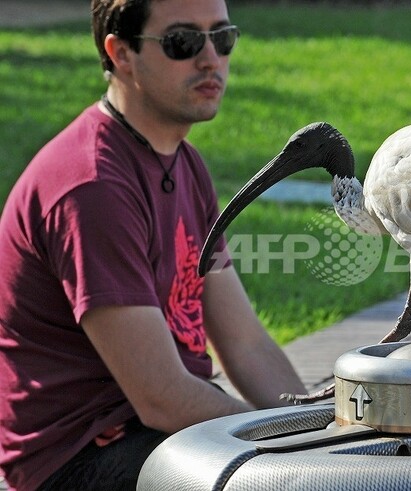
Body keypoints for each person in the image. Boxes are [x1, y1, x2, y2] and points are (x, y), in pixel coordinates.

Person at [0, 0, 306, 489]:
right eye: (182, 42)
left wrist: (321, 432)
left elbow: (246, 344)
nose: (210, 59)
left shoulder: (186, 164)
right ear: (120, 53)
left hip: (156, 433)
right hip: (80, 458)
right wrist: (281, 450)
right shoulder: (92, 187)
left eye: (222, 38)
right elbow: (161, 396)